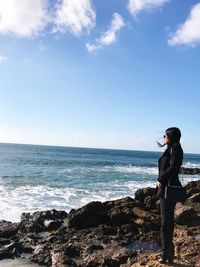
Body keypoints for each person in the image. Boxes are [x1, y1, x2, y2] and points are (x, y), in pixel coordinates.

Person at [156, 127, 183, 264]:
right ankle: (168, 252)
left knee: (166, 223)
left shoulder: (175, 148)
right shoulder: (173, 148)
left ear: (170, 137)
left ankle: (166, 254)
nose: (163, 138)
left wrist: (161, 179)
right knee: (166, 222)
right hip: (166, 189)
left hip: (168, 190)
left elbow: (173, 168)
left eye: (164, 136)